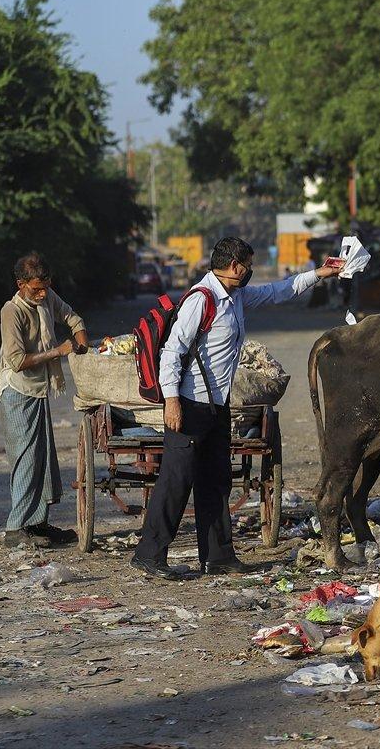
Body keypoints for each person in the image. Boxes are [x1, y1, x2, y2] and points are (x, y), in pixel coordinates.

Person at [131, 237, 340, 580]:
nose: (250, 272)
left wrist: (319, 274)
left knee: (216, 480)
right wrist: (171, 401)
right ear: (235, 267)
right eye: (248, 266)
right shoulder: (202, 299)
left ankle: (218, 556)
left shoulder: (235, 296)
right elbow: (171, 352)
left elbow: (279, 291)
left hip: (217, 404)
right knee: (176, 480)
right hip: (189, 403)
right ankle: (150, 554)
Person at [0, 253, 88, 548]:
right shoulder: (12, 311)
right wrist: (59, 351)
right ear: (21, 285)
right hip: (17, 391)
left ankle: (37, 524)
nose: (42, 294)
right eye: (36, 289)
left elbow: (71, 316)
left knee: (43, 458)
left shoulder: (46, 296)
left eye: (46, 287)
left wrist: (82, 342)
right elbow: (17, 361)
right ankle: (14, 527)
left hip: (40, 389)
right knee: (25, 459)